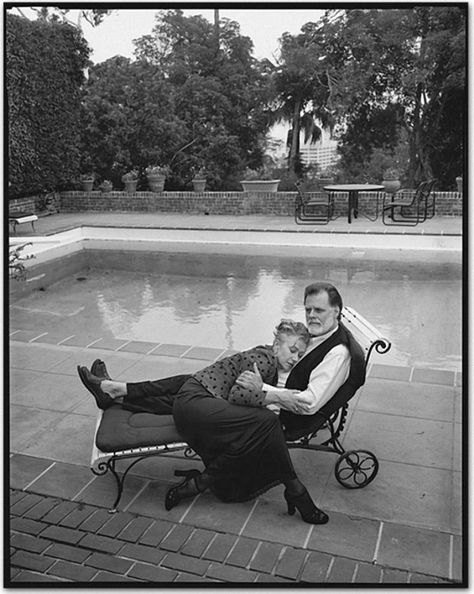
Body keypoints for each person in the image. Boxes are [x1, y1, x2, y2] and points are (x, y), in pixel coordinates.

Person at [78, 319, 330, 524]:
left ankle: (115, 395)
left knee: (252, 430)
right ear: (276, 345)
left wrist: (273, 396)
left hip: (194, 402)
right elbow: (239, 394)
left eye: (300, 354)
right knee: (265, 423)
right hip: (196, 407)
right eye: (292, 350)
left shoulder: (265, 360)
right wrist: (281, 398)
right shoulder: (265, 360)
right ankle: (295, 491)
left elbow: (240, 392)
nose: (295, 357)